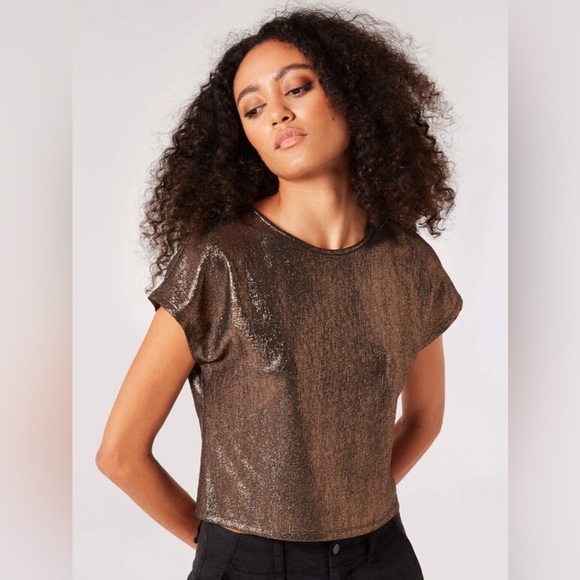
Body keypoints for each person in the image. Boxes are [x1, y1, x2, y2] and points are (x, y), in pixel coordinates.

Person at [96, 8, 463, 579]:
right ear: (244, 137)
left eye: (297, 88)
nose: (278, 113)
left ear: (353, 94)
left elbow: (424, 419)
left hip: (381, 555)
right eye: (253, 108)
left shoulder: (410, 263)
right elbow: (120, 455)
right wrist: (221, 551)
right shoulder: (220, 262)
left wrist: (346, 508)